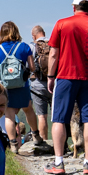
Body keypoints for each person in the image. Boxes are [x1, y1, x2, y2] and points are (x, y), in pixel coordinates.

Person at [46, 0, 88, 175]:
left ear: (73, 7)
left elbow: (53, 54)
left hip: (65, 76)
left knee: (59, 118)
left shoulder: (61, 24)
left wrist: (51, 76)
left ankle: (59, 163)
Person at [0, 22, 37, 148]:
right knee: (29, 110)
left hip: (6, 88)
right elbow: (32, 67)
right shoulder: (24, 47)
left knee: (9, 115)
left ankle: (13, 144)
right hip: (22, 85)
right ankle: (36, 136)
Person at [27, 25, 54, 156]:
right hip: (54, 85)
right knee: (57, 117)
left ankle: (44, 145)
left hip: (37, 86)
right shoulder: (54, 43)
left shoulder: (32, 47)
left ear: (34, 35)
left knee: (42, 116)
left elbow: (29, 66)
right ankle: (60, 144)